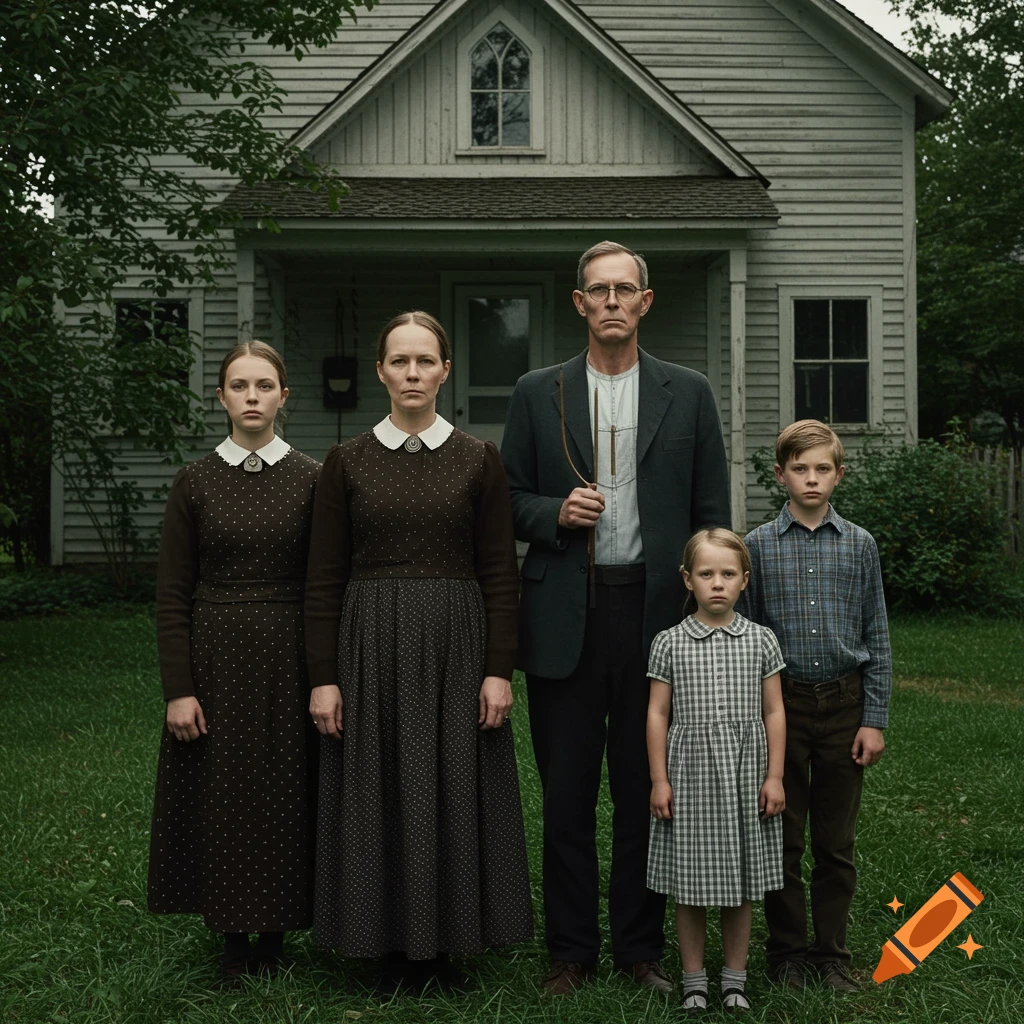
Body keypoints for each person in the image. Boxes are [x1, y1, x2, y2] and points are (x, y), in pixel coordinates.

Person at [500, 240, 731, 995]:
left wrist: (709, 614)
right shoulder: (539, 391)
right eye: (597, 290)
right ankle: (570, 951)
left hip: (658, 616)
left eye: (623, 290)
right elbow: (505, 499)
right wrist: (551, 511)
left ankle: (639, 949)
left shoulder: (687, 391)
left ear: (644, 302)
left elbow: (711, 516)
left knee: (644, 791)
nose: (610, 302)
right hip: (566, 610)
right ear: (578, 304)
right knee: (566, 794)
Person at [304, 311, 533, 990]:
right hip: (369, 642)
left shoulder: (477, 458)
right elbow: (323, 579)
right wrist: (324, 677)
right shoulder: (345, 462)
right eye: (399, 361)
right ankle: (382, 944)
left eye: (424, 361)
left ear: (444, 372)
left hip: (456, 645)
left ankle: (446, 946)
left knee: (452, 786)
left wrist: (497, 670)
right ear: (380, 371)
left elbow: (499, 571)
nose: (412, 374)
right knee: (376, 787)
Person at [149, 340, 320, 979]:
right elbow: (172, 592)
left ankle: (275, 936)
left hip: (288, 656)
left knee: (281, 788)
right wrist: (178, 687)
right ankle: (229, 936)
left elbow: (323, 581)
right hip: (215, 655)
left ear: (283, 396)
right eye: (240, 386)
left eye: (265, 386)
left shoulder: (311, 476)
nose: (253, 397)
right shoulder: (195, 480)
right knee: (222, 791)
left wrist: (323, 673)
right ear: (221, 397)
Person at [742, 419, 891, 993]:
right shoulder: (756, 546)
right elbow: (748, 640)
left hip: (844, 707)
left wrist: (873, 718)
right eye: (799, 469)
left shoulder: (860, 545)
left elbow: (876, 635)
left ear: (839, 474)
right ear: (780, 475)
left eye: (822, 468)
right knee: (783, 835)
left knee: (835, 843)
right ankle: (786, 956)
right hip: (782, 708)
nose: (811, 479)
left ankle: (830, 955)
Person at [646, 528, 786, 1016]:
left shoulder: (762, 640)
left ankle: (734, 978)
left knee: (740, 883)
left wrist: (775, 775)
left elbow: (773, 713)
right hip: (691, 777)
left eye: (728, 574)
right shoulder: (668, 643)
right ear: (688, 580)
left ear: (745, 580)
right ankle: (693, 980)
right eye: (706, 574)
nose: (718, 583)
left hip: (747, 775)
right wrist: (660, 780)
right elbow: (658, 714)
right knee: (691, 884)